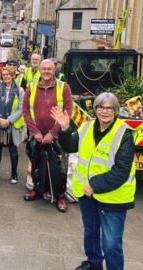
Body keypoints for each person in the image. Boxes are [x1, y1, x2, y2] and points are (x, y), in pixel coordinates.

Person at [52, 92, 135, 270]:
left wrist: (94, 185)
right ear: (95, 109)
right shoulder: (87, 127)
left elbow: (121, 171)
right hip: (87, 195)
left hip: (113, 198)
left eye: (109, 108)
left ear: (116, 111)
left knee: (111, 243)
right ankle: (94, 263)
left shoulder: (124, 134)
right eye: (100, 107)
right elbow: (70, 146)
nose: (104, 111)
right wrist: (65, 129)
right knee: (91, 233)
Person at [22, 59, 73, 212]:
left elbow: (68, 112)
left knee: (59, 168)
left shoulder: (63, 87)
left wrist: (53, 133)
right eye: (43, 68)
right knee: (36, 165)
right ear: (39, 69)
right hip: (37, 135)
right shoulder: (31, 87)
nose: (46, 71)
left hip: (56, 136)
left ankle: (60, 196)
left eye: (49, 69)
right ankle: (38, 190)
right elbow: (25, 111)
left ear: (54, 69)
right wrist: (35, 132)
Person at [0, 67, 26, 184]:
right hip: (0, 124)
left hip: (12, 125)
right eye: (3, 74)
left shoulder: (19, 90)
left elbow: (21, 109)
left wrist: (9, 120)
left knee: (13, 150)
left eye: (8, 74)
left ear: (12, 75)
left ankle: (14, 173)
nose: (5, 76)